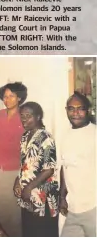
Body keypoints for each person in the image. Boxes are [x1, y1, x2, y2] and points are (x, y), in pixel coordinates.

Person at [0, 81, 27, 237]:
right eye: (5, 96)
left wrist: (23, 175)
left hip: (15, 171)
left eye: (11, 96)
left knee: (14, 212)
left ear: (19, 98)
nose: (7, 99)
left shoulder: (24, 117)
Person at [13, 102, 59, 237]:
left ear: (38, 117)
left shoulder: (46, 138)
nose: (24, 119)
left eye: (29, 116)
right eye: (22, 116)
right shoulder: (25, 136)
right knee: (29, 230)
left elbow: (49, 169)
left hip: (42, 194)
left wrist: (28, 188)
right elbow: (23, 164)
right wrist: (17, 181)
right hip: (27, 195)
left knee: (42, 231)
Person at [60, 93, 96, 237]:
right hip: (73, 208)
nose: (75, 113)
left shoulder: (94, 133)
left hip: (93, 207)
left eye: (80, 109)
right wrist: (62, 197)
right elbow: (65, 167)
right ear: (66, 110)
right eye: (71, 109)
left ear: (88, 110)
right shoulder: (66, 135)